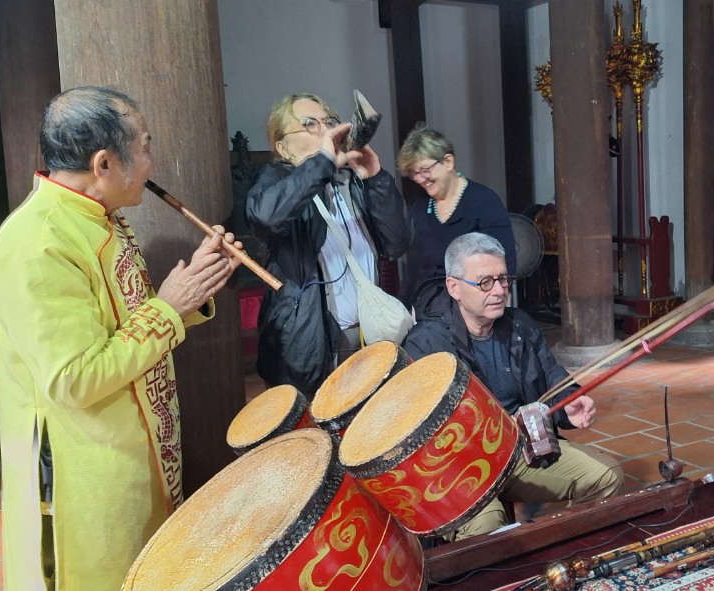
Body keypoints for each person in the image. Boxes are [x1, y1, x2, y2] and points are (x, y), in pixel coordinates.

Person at [0, 86, 241, 590]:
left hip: (133, 446)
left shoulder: (98, 218)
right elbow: (75, 377)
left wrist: (191, 291)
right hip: (87, 468)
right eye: (144, 145)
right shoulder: (37, 245)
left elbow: (123, 328)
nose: (151, 160)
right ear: (104, 163)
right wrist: (169, 308)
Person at [403, 232, 623, 541]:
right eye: (484, 283)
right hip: (463, 467)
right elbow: (420, 434)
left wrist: (569, 401)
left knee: (605, 477)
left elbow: (551, 374)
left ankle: (558, 555)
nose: (498, 291)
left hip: (522, 449)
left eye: (503, 280)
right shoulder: (425, 344)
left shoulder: (519, 323)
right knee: (486, 527)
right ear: (454, 287)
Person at [246, 93, 411, 396]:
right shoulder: (274, 179)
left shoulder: (350, 183)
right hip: (308, 349)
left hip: (367, 341)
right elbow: (266, 216)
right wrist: (321, 163)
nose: (324, 129)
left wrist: (375, 177)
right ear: (282, 146)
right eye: (309, 124)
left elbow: (398, 243)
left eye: (329, 122)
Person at [396, 123, 515, 305]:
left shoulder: (483, 200)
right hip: (429, 310)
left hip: (476, 307)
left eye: (425, 170)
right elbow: (415, 272)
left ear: (448, 162)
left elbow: (505, 263)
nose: (420, 179)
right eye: (414, 174)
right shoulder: (420, 208)